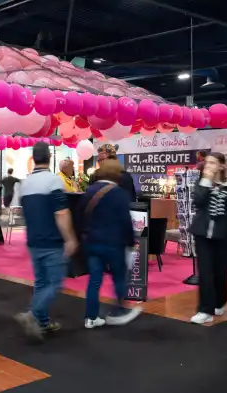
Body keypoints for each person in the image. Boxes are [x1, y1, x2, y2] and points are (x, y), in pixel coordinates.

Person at [15, 142, 77, 340]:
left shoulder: (24, 184)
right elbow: (61, 213)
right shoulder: (53, 181)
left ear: (34, 158)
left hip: (33, 241)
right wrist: (70, 238)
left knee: (41, 282)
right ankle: (33, 314)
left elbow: (22, 213)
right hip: (52, 241)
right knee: (55, 283)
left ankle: (42, 322)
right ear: (49, 157)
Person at [81, 159, 141, 329]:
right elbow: (125, 221)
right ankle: (118, 311)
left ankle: (90, 317)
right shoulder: (119, 193)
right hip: (114, 243)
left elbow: (80, 217)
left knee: (94, 280)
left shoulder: (89, 191)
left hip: (92, 242)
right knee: (119, 278)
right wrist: (130, 242)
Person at [189, 152, 227, 324]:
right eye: (207, 162)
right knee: (205, 272)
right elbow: (198, 202)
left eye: (212, 162)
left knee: (220, 271)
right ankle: (205, 310)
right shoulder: (202, 182)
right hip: (202, 234)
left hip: (222, 235)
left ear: (222, 165)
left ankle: (220, 301)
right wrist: (206, 181)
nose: (208, 165)